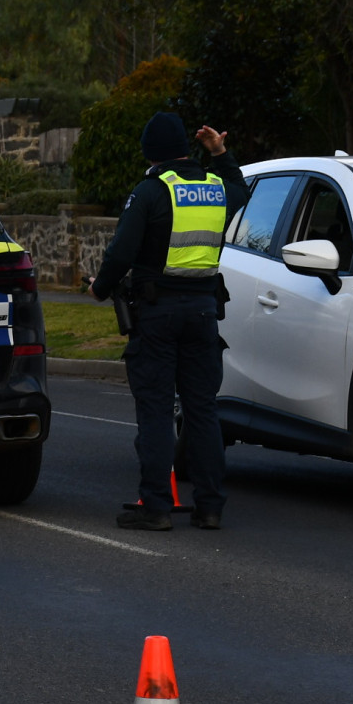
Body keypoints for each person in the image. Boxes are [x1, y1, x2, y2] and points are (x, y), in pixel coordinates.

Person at [88, 112, 248, 532]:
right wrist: (220, 154)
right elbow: (241, 191)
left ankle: (157, 507)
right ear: (185, 148)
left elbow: (121, 253)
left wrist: (99, 289)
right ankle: (210, 507)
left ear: (150, 153)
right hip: (203, 314)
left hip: (158, 315)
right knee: (202, 411)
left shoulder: (151, 192)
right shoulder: (216, 189)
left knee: (157, 411)